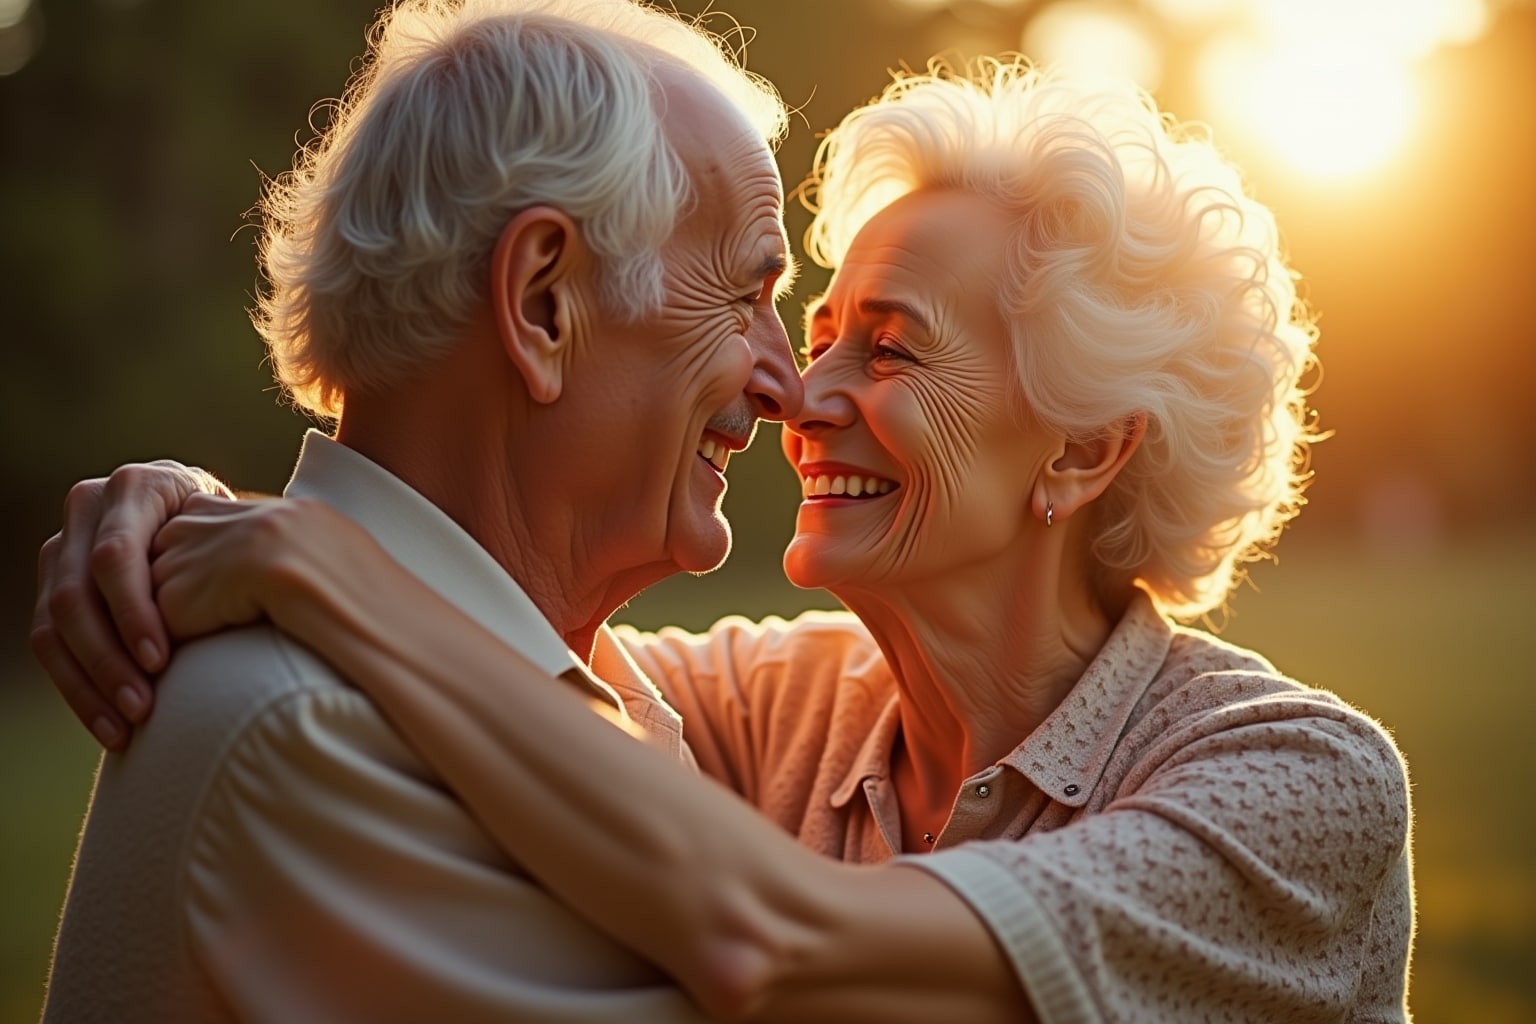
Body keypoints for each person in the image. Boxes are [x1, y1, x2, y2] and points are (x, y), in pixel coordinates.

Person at [33, 59, 1417, 1024]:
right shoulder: (774, 713)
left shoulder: (1299, 788)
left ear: (1081, 449)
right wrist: (191, 500)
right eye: (816, 331)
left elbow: (769, 935)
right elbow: (510, 640)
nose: (801, 396)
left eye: (890, 349)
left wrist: (326, 569)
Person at [30, 0, 825, 1020]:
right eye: (745, 297)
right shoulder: (317, 733)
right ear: (542, 303)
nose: (786, 383)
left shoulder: (566, 679)